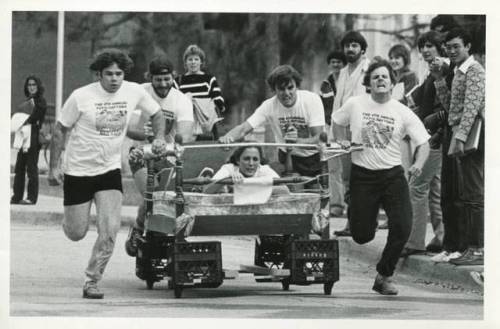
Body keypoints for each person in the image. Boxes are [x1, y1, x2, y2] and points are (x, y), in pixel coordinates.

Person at [48, 49, 166, 299]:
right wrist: (54, 167)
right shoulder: (81, 96)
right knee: (76, 233)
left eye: (119, 74)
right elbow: (60, 130)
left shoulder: (134, 91)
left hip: (109, 171)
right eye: (109, 74)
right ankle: (71, 221)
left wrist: (160, 137)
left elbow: (157, 114)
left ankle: (92, 280)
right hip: (79, 171)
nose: (114, 79)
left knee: (110, 230)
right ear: (98, 74)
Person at [332, 60, 430, 295]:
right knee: (362, 235)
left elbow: (424, 143)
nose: (380, 80)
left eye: (385, 77)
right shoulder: (356, 104)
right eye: (375, 77)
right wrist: (341, 139)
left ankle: (384, 276)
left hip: (392, 176)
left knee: (403, 227)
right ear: (369, 82)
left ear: (392, 82)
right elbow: (336, 121)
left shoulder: (401, 111)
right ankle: (366, 213)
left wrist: (417, 163)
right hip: (363, 176)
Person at [125, 56, 194, 257]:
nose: (163, 84)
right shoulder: (140, 93)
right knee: (151, 194)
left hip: (169, 156)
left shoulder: (181, 100)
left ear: (173, 77)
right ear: (150, 78)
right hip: (141, 153)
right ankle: (138, 228)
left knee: (165, 198)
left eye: (167, 79)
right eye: (158, 80)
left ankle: (167, 233)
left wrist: (168, 143)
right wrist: (148, 136)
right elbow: (130, 130)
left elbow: (186, 135)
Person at [432, 27, 484, 266]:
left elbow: (471, 107)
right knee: (455, 193)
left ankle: (477, 248)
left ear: (468, 47)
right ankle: (458, 247)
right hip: (456, 134)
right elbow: (451, 106)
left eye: (456, 46)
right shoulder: (457, 70)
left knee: (472, 194)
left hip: (471, 136)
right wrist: (440, 80)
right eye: (448, 47)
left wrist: (460, 137)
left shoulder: (474, 70)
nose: (452, 51)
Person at [219, 65, 325, 179]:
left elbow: (319, 137)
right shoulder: (268, 106)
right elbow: (244, 128)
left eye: (290, 88)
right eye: (281, 89)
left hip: (312, 158)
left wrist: (296, 141)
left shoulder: (312, 100)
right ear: (274, 89)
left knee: (315, 193)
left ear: (297, 87)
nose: (286, 93)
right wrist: (228, 137)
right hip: (286, 157)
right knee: (290, 193)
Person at [399, 31, 449, 257]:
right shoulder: (430, 71)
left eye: (430, 45)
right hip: (431, 136)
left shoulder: (443, 69)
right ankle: (442, 237)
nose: (426, 50)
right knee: (434, 190)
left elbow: (445, 106)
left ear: (440, 46)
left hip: (436, 138)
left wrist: (434, 127)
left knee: (417, 186)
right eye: (422, 47)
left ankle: (414, 241)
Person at [330, 30, 370, 233]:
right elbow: (339, 103)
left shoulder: (370, 69)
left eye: (355, 45)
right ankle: (351, 222)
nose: (350, 49)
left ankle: (365, 223)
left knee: (366, 177)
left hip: (364, 132)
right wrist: (334, 133)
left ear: (362, 49)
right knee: (348, 179)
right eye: (347, 45)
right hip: (343, 132)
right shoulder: (343, 72)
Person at [175, 44, 225, 140]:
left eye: (196, 59)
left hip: (206, 124)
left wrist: (219, 107)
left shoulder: (209, 79)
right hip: (186, 122)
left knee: (206, 149)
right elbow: (174, 101)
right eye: (190, 59)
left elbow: (217, 98)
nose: (193, 62)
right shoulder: (178, 81)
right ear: (185, 62)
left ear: (201, 62)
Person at [11, 75, 47, 205]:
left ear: (38, 86)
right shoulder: (27, 101)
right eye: (29, 85)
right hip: (23, 136)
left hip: (33, 136)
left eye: (34, 85)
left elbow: (35, 117)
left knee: (31, 168)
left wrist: (20, 120)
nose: (31, 87)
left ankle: (31, 198)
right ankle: (16, 196)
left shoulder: (40, 101)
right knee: (20, 166)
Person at [203, 145, 281, 194]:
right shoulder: (228, 168)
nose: (251, 163)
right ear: (238, 160)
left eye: (255, 159)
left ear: (260, 161)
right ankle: (206, 175)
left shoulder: (264, 170)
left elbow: (284, 190)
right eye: (246, 159)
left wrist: (249, 188)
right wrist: (228, 179)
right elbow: (206, 190)